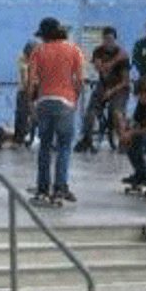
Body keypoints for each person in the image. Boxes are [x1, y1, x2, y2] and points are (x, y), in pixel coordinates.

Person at [27, 17, 85, 205]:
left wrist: (31, 104)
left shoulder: (38, 51)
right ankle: (60, 186)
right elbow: (80, 80)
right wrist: (74, 99)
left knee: (44, 147)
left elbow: (32, 81)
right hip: (66, 103)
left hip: (43, 102)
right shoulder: (74, 49)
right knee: (64, 147)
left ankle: (43, 187)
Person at [76, 27, 130, 153]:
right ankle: (86, 139)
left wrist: (111, 91)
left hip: (120, 87)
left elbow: (125, 81)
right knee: (90, 111)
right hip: (104, 84)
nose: (107, 42)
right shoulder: (99, 51)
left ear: (115, 39)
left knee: (117, 112)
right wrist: (115, 60)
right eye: (105, 39)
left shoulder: (122, 54)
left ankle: (124, 142)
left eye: (110, 39)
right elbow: (100, 69)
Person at [14, 42, 37, 147]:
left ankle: (28, 138)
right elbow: (25, 79)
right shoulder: (23, 62)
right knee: (23, 117)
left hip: (34, 91)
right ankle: (20, 138)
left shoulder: (34, 62)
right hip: (25, 92)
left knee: (32, 117)